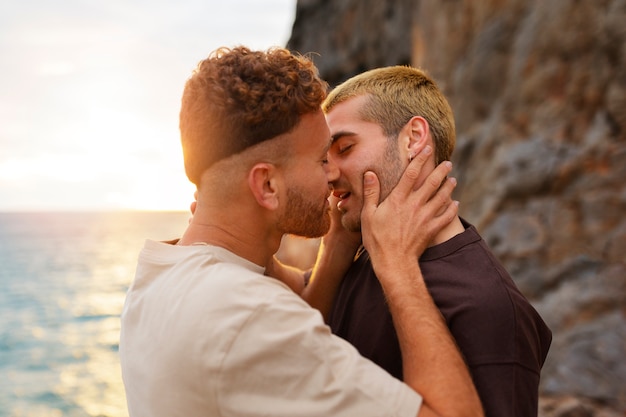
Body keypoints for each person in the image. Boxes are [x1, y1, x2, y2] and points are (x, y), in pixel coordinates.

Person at [119, 46, 484, 417]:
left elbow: (302, 304)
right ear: (267, 186)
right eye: (321, 158)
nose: (332, 173)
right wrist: (398, 263)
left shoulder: (159, 274)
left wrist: (337, 243)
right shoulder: (250, 317)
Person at [269, 65, 552, 417]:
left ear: (414, 138)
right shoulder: (358, 257)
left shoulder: (490, 307)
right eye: (324, 158)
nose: (329, 172)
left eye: (345, 147)